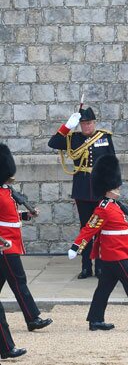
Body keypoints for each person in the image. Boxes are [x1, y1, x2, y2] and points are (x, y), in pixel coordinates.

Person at [67, 155, 128, 331]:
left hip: (116, 253)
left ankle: (95, 320)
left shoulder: (114, 205)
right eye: (116, 185)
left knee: (104, 288)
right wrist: (76, 247)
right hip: (114, 253)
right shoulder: (103, 208)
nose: (119, 187)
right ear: (109, 187)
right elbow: (89, 228)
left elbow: (118, 227)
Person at [48, 106, 115, 278]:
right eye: (83, 123)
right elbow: (53, 143)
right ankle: (86, 266)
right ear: (80, 124)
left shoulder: (104, 137)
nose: (87, 126)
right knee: (85, 228)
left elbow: (112, 162)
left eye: (90, 123)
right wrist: (67, 126)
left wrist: (113, 187)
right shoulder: (73, 138)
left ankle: (100, 266)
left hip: (101, 189)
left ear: (94, 123)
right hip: (82, 189)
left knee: (100, 228)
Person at [0, 144, 54, 336]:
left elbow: (10, 215)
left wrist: (26, 215)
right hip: (5, 244)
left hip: (12, 242)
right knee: (19, 280)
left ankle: (32, 319)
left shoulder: (6, 190)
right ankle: (32, 318)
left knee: (13, 281)